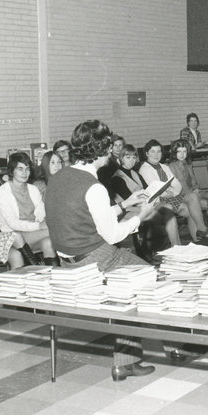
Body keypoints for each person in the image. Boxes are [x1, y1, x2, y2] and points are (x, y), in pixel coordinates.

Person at [44, 120, 160, 381]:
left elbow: (84, 215)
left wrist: (124, 205)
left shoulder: (60, 176)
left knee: (130, 285)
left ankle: (126, 361)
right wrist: (140, 216)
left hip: (67, 259)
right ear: (100, 150)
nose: (112, 153)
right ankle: (170, 346)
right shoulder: (93, 186)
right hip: (95, 259)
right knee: (148, 275)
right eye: (109, 147)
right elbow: (112, 234)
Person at [110, 144, 182, 247]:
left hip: (144, 205)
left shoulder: (134, 173)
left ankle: (176, 246)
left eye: (134, 157)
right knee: (166, 213)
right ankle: (172, 246)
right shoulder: (117, 178)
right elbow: (130, 200)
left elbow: (147, 189)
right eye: (128, 157)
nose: (132, 160)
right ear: (121, 158)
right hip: (130, 211)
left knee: (168, 207)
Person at [0, 152, 58, 266]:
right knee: (55, 229)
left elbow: (41, 212)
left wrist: (42, 222)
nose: (24, 173)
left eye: (27, 169)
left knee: (49, 243)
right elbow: (12, 223)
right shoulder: (2, 192)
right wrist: (39, 226)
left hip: (34, 233)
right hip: (14, 237)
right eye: (20, 169)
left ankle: (54, 278)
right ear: (12, 171)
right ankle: (37, 269)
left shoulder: (33, 189)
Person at [139, 139, 208, 242]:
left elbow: (176, 184)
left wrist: (172, 193)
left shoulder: (164, 166)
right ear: (147, 153)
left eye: (159, 151)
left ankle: (198, 239)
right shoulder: (144, 169)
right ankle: (183, 242)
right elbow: (155, 188)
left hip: (171, 197)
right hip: (158, 201)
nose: (156, 154)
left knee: (191, 209)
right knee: (192, 205)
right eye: (153, 151)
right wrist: (169, 192)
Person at [168, 139, 208, 235]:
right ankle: (202, 228)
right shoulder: (171, 166)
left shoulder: (188, 164)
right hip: (181, 196)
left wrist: (196, 188)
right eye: (179, 151)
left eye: (184, 151)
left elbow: (193, 181)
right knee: (204, 202)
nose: (182, 154)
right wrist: (193, 192)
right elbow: (177, 187)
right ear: (174, 153)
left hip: (192, 193)